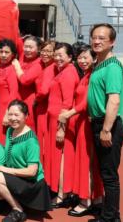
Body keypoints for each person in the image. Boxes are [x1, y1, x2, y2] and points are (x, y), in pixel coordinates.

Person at [58, 45, 103, 217]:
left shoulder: (93, 76)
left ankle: (86, 201)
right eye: (80, 57)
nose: (82, 61)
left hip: (86, 122)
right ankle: (95, 198)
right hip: (82, 122)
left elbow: (86, 102)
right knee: (89, 162)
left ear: (93, 58)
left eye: (86, 57)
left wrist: (68, 113)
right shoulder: (86, 75)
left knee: (87, 161)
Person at [87, 23, 123, 222]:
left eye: (102, 38)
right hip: (98, 124)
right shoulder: (99, 64)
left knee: (109, 175)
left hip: (107, 126)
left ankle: (112, 217)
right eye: (94, 37)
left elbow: (114, 99)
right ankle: (108, 214)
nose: (96, 41)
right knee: (104, 172)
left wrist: (106, 129)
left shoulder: (112, 67)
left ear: (112, 42)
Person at [0, 100, 51, 222]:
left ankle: (18, 209)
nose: (12, 118)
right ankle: (20, 203)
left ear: (26, 116)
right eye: (10, 114)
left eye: (17, 115)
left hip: (31, 183)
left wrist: (3, 169)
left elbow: (32, 172)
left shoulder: (31, 140)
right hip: (16, 178)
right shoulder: (10, 131)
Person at [45, 42, 78, 208]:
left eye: (61, 55)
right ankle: (60, 191)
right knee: (57, 157)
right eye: (55, 55)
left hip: (60, 122)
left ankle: (62, 194)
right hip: (55, 121)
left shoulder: (68, 73)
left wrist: (61, 128)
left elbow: (67, 102)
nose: (57, 58)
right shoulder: (62, 71)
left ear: (70, 57)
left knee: (62, 158)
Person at [11, 36, 43, 130]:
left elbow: (25, 80)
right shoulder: (23, 56)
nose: (27, 50)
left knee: (26, 127)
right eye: (26, 46)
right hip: (16, 98)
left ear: (38, 49)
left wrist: (17, 67)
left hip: (28, 101)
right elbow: (16, 38)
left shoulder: (39, 64)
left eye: (31, 47)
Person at [0, 39, 19, 144]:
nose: (3, 55)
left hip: (4, 109)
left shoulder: (11, 69)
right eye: (1, 51)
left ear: (12, 54)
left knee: (1, 138)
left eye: (7, 52)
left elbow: (14, 93)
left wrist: (7, 113)